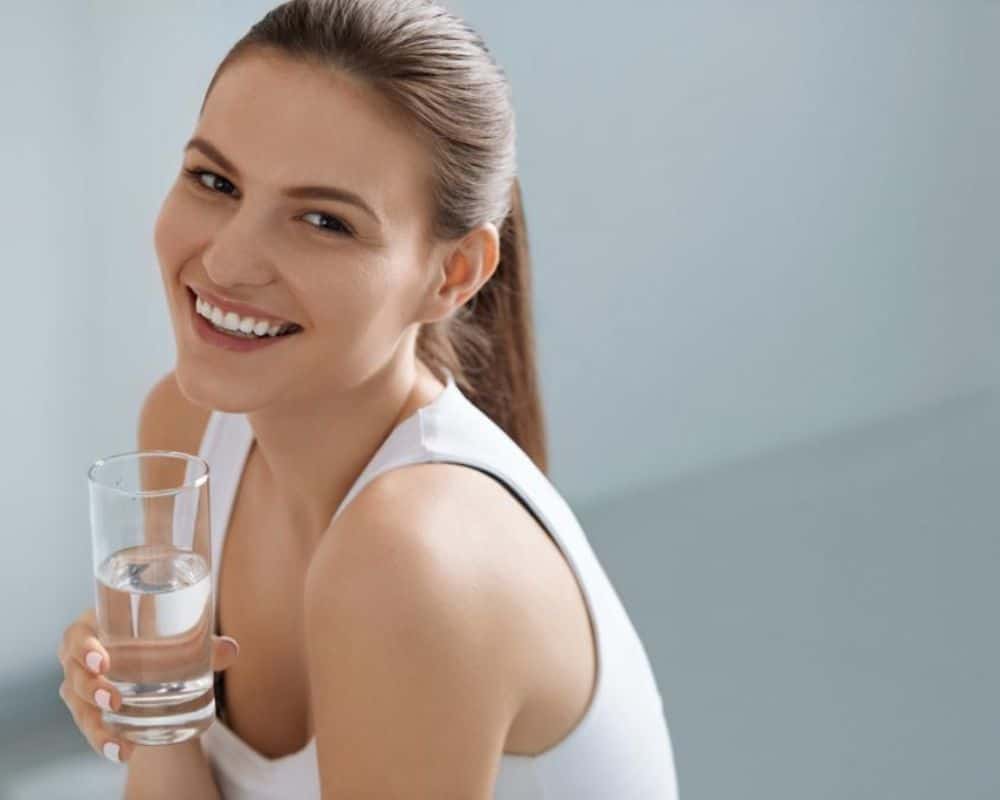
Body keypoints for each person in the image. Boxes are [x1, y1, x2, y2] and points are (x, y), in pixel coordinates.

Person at [57, 1, 679, 797]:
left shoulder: (409, 563)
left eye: (325, 221)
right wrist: (154, 722)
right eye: (215, 181)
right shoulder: (187, 432)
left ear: (452, 275)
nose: (230, 259)